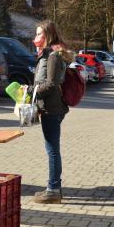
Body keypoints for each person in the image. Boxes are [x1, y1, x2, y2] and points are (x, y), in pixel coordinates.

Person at [30, 21, 75, 204]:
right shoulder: (45, 55)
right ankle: (54, 187)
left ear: (48, 36)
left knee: (52, 150)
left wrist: (31, 91)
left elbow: (51, 84)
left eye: (39, 34)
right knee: (52, 148)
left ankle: (53, 189)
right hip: (48, 107)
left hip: (52, 108)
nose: (35, 38)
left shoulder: (53, 57)